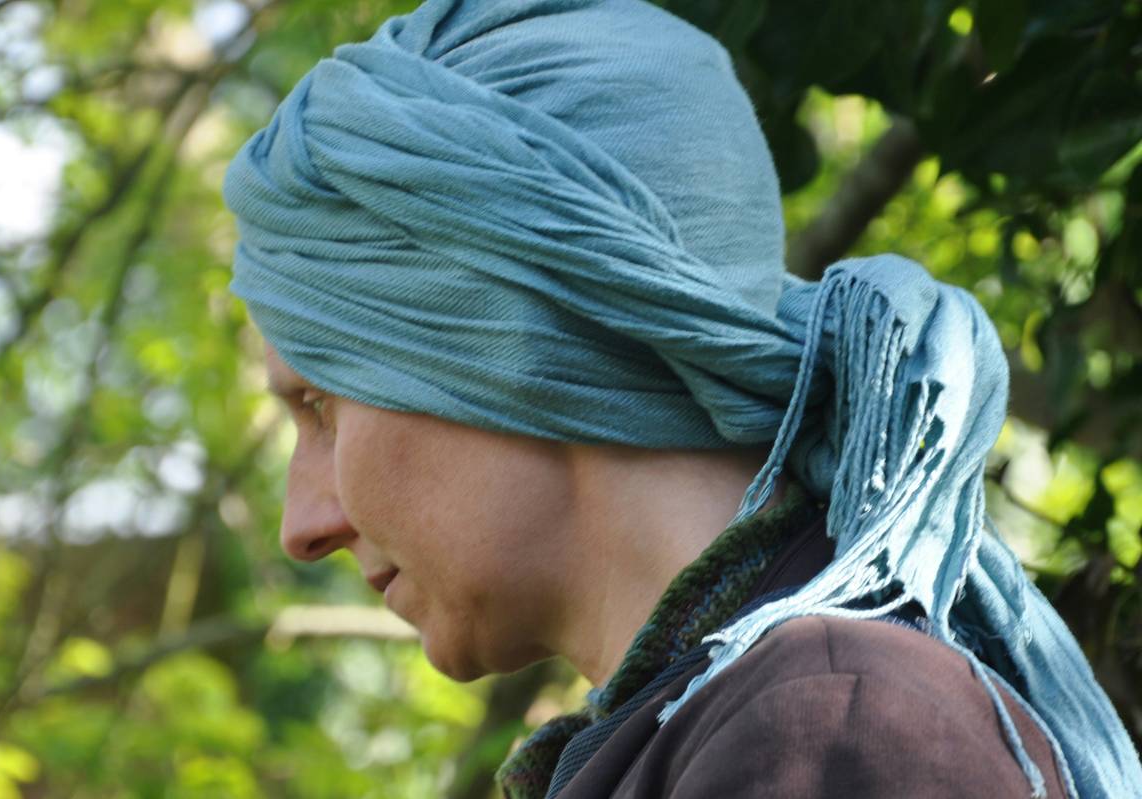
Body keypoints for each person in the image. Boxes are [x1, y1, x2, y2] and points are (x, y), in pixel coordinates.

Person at [222, 1, 1142, 797]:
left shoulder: (833, 728)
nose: (302, 526)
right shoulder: (770, 720)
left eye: (316, 404)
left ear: (505, 335)